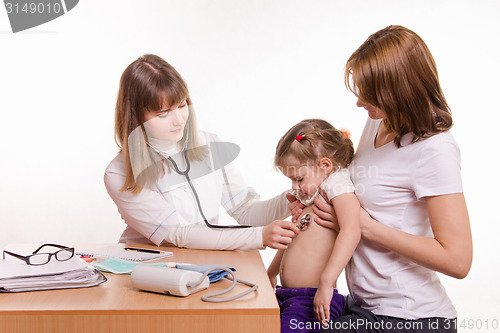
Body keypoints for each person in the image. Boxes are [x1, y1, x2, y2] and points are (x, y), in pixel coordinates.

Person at [302, 26, 472, 332]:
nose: (359, 103)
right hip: (364, 306)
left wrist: (365, 226)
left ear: (400, 89)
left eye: (369, 94)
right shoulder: (377, 124)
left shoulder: (436, 149)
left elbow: (458, 261)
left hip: (410, 318)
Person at [104, 54, 299, 250]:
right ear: (136, 118)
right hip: (147, 268)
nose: (179, 120)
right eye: (163, 114)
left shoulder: (210, 145)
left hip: (204, 261)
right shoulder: (119, 173)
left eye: (181, 106)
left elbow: (245, 210)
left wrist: (296, 194)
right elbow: (177, 233)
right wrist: (258, 237)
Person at [266, 119, 361, 332]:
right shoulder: (313, 195)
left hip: (312, 299)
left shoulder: (337, 186)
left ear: (325, 165)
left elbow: (352, 230)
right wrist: (270, 274)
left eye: (299, 179)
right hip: (288, 296)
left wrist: (327, 283)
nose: (294, 187)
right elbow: (294, 239)